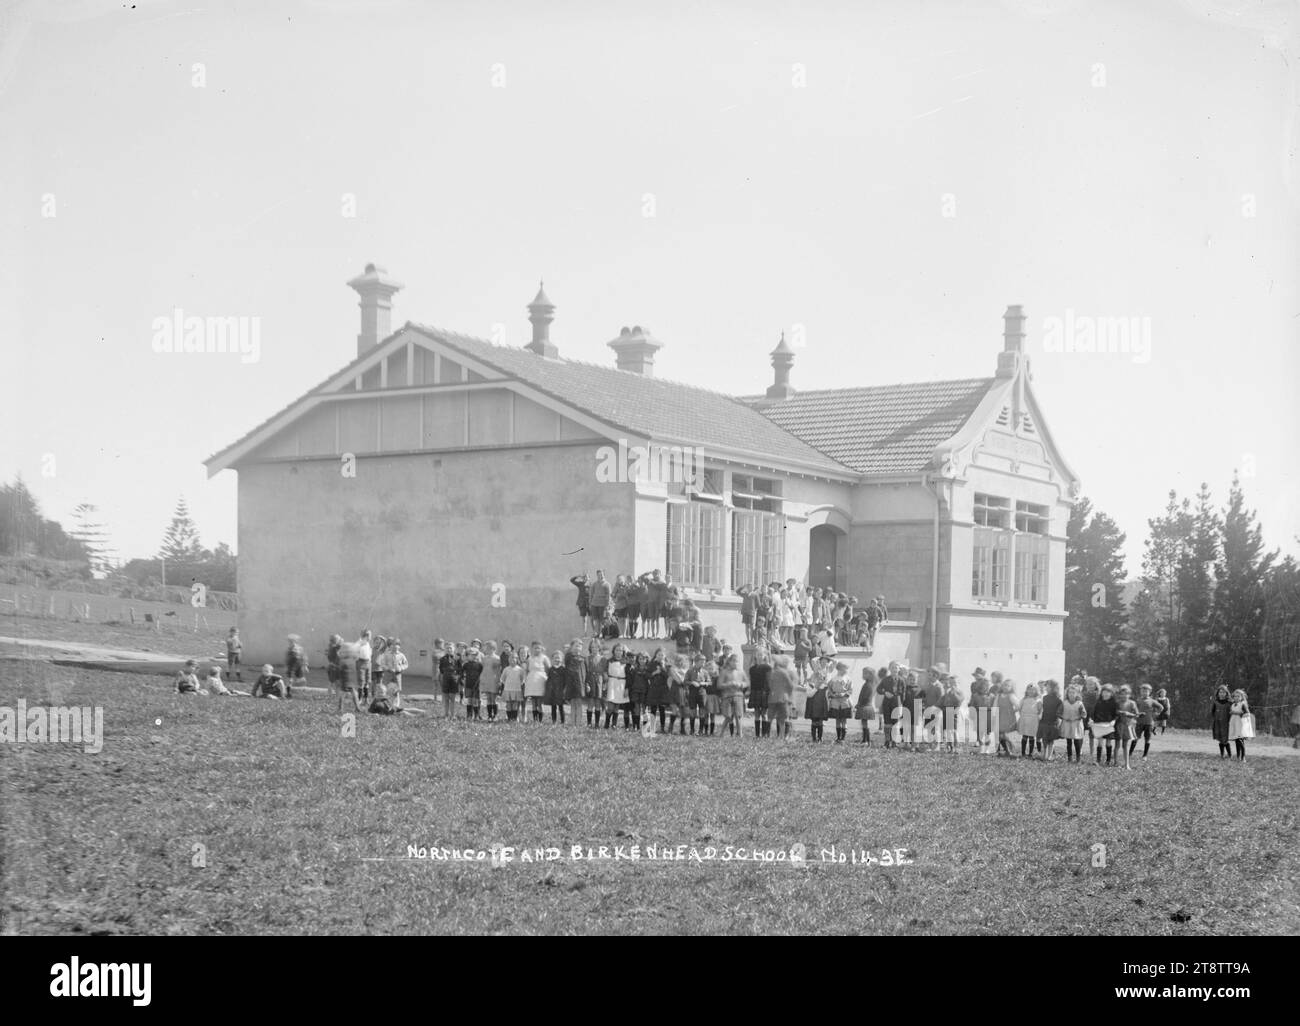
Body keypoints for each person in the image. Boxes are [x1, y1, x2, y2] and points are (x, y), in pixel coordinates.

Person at [768, 654, 796, 740]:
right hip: (778, 697)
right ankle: (780, 735)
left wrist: (790, 697)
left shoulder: (789, 672)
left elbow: (792, 685)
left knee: (785, 717)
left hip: (785, 697)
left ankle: (785, 735)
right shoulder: (774, 672)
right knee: (779, 717)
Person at [1090, 683, 1119, 765]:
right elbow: (1094, 713)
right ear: (1101, 692)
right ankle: (1098, 760)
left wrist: (1114, 721)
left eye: (1108, 692)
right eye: (1104, 691)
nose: (1106, 693)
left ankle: (1108, 760)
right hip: (1099, 724)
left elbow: (1116, 714)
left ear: (1111, 693)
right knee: (1099, 742)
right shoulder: (1098, 702)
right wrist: (1092, 720)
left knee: (1108, 743)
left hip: (1109, 725)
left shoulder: (1114, 703)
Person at [1060, 681, 1088, 763]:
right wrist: (1064, 717)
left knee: (1077, 742)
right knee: (1069, 742)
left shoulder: (1079, 703)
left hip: (1076, 725)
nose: (1071, 694)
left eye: (1073, 693)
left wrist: (1078, 717)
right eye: (1070, 693)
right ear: (1067, 693)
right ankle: (1070, 758)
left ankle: (1078, 759)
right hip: (1067, 724)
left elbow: (1084, 714)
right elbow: (1058, 712)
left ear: (1077, 694)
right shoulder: (1064, 703)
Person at [1132, 683, 1161, 760]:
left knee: (1147, 739)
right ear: (1140, 692)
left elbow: (1161, 707)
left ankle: (1145, 756)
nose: (1144, 693)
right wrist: (1135, 715)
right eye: (1143, 691)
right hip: (1139, 723)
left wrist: (1156, 714)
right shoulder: (1138, 700)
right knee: (1135, 738)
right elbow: (1134, 709)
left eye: (1146, 691)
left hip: (1149, 723)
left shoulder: (1152, 701)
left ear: (1150, 692)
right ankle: (1129, 753)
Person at [827, 661, 853, 743]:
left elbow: (850, 690)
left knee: (844, 720)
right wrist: (833, 695)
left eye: (846, 669)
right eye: (844, 669)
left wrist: (844, 693)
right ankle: (838, 737)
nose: (846, 671)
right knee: (838, 720)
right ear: (839, 669)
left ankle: (843, 738)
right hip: (835, 702)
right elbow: (829, 689)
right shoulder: (833, 679)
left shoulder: (848, 679)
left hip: (844, 702)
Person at [1114, 685, 1139, 770]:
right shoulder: (1117, 702)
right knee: (1117, 744)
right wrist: (1120, 712)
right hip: (1118, 725)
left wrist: (1129, 714)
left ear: (1129, 694)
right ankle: (1115, 762)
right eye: (1122, 694)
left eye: (1126, 694)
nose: (1124, 695)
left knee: (1125, 745)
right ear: (1120, 694)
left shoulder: (1132, 703)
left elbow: (1137, 714)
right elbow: (1114, 712)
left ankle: (1127, 764)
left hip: (1128, 725)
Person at [748, 648, 771, 737]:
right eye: (758, 654)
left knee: (764, 714)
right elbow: (751, 680)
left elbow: (769, 680)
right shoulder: (752, 669)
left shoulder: (768, 667)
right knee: (757, 713)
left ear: (765, 656)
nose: (759, 656)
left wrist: (769, 691)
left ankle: (764, 734)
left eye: (761, 654)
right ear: (755, 656)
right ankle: (757, 734)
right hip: (755, 691)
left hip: (764, 691)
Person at [1037, 679, 1062, 760]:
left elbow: (1060, 712)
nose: (1046, 688)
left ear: (1054, 688)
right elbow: (1041, 709)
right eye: (1046, 687)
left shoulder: (1058, 700)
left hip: (1053, 722)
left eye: (1048, 686)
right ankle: (1044, 754)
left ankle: (1049, 756)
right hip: (1044, 721)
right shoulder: (1044, 698)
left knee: (1051, 740)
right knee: (1044, 739)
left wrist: (1058, 720)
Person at [995, 680, 1019, 757]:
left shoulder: (1011, 696)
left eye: (1008, 686)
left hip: (1008, 717)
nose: (1005, 687)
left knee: (1004, 734)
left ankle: (1009, 750)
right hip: (1000, 716)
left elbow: (1018, 706)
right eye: (1004, 685)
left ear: (1011, 687)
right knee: (999, 734)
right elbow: (995, 705)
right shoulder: (998, 695)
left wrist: (1013, 711)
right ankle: (1008, 750)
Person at [499, 650, 525, 723]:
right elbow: (502, 679)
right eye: (511, 658)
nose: (512, 660)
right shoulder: (506, 669)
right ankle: (509, 718)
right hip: (508, 689)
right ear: (508, 660)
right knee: (508, 705)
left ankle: (514, 718)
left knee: (515, 704)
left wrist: (518, 684)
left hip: (516, 689)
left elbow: (523, 680)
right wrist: (507, 684)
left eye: (514, 658)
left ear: (517, 659)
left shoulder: (520, 669)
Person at [1228, 689, 1253, 761]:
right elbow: (1232, 712)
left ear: (1241, 697)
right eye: (1235, 696)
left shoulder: (1243, 704)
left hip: (1241, 725)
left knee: (1240, 740)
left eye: (1238, 696)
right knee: (1236, 741)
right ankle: (1238, 756)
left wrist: (1237, 713)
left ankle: (1243, 757)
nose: (1236, 698)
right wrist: (1231, 713)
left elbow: (1247, 714)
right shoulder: (1233, 705)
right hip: (1234, 725)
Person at [1018, 683, 1041, 758]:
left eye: (1033, 690)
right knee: (1024, 736)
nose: (1031, 691)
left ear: (1036, 691)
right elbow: (1020, 708)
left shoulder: (1038, 700)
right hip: (1025, 719)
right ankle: (1023, 753)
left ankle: (1030, 753)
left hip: (1033, 720)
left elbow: (1040, 710)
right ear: (1027, 690)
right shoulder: (1024, 699)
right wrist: (1022, 716)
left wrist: (1038, 717)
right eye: (1029, 689)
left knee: (1031, 736)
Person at [1210, 684, 1233, 759]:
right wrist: (1216, 719)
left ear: (1226, 693)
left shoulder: (1229, 703)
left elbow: (1232, 713)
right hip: (1218, 723)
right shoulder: (1215, 702)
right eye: (1220, 692)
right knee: (1220, 739)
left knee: (1225, 740)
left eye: (1223, 692)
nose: (1222, 694)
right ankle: (1222, 755)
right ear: (1218, 693)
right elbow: (1212, 712)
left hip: (1226, 724)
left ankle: (1230, 755)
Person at [462, 646, 484, 721]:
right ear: (467, 656)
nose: (473, 656)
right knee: (469, 700)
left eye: (474, 655)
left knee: (476, 701)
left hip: (476, 685)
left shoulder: (479, 665)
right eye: (470, 655)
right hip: (468, 685)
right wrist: (462, 679)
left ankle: (476, 715)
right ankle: (469, 715)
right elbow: (461, 672)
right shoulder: (466, 665)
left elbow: (482, 673)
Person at [544, 649, 567, 724]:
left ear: (562, 659)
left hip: (560, 690)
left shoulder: (563, 669)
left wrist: (564, 689)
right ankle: (554, 721)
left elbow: (565, 680)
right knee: (553, 707)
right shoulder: (551, 669)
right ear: (552, 659)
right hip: (553, 691)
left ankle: (563, 721)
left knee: (561, 707)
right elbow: (548, 679)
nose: (557, 659)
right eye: (555, 658)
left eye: (558, 658)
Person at [855, 667, 876, 745]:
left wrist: (859, 704)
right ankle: (866, 740)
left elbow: (865, 697)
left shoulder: (868, 685)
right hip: (865, 706)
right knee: (864, 724)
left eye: (865, 673)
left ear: (870, 675)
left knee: (864, 724)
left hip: (865, 706)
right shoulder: (868, 683)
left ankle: (866, 740)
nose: (863, 675)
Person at [355, 629, 373, 702]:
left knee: (367, 680)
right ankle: (359, 698)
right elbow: (356, 647)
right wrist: (360, 641)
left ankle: (366, 698)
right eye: (369, 635)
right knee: (361, 680)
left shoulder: (368, 643)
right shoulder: (360, 642)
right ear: (366, 636)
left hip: (368, 663)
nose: (370, 637)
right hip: (361, 663)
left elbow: (369, 653)